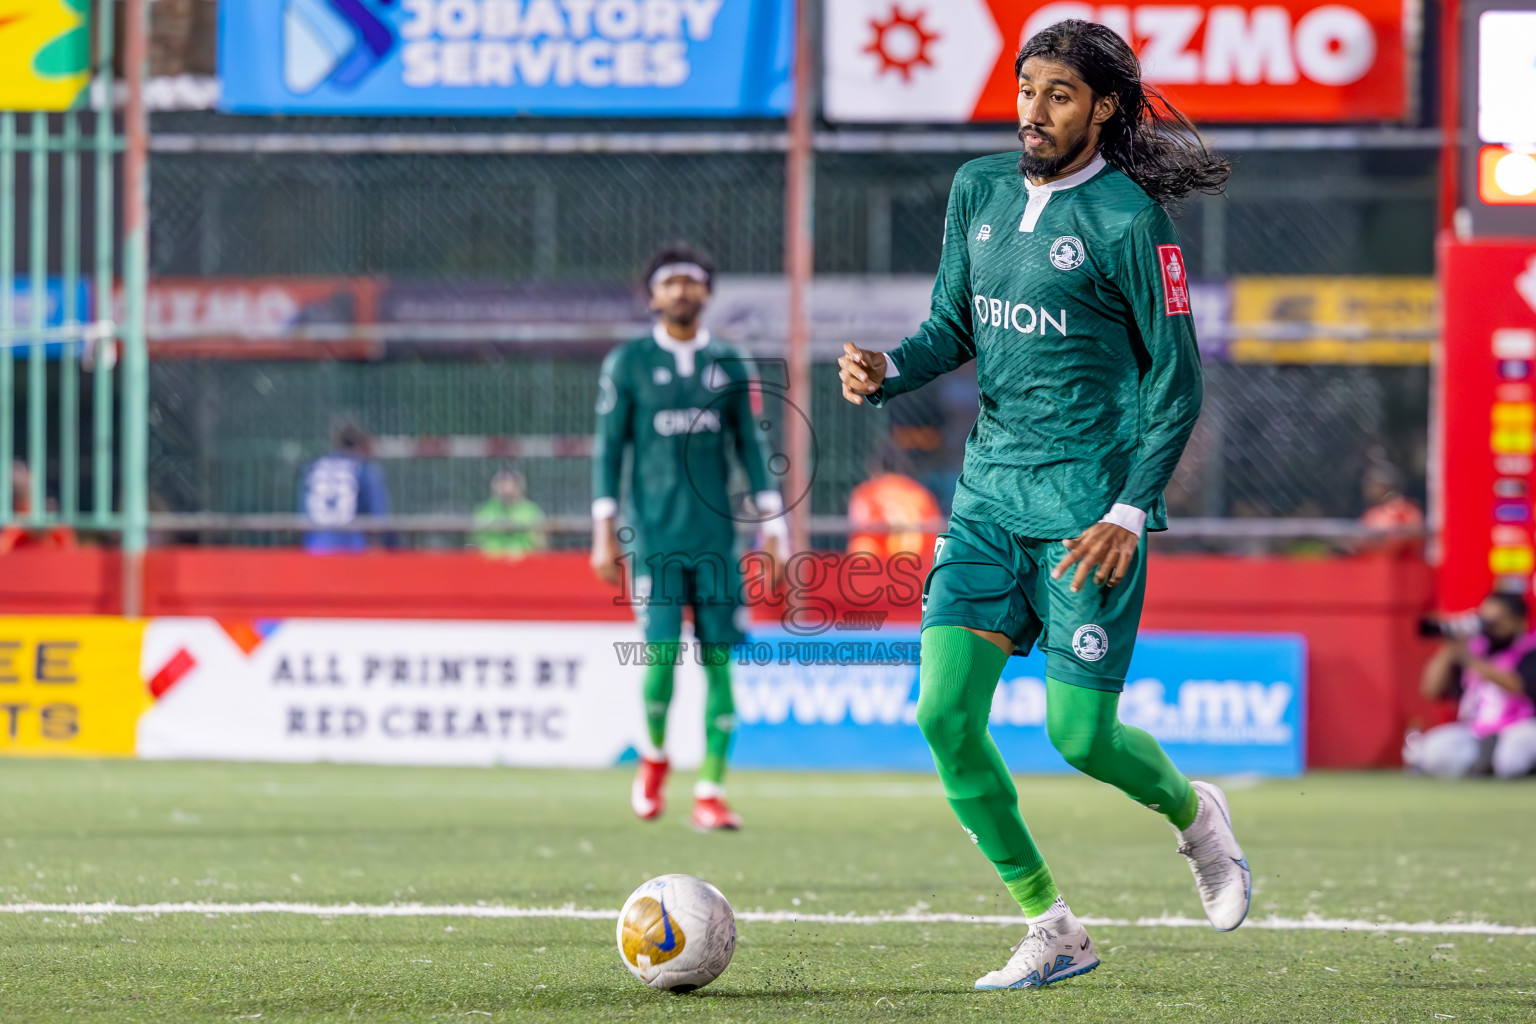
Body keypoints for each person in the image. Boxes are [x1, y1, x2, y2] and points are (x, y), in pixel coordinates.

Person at [837, 20, 1247, 990]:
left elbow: (1177, 383)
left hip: (1088, 516)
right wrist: (890, 369)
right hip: (986, 501)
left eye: (1058, 94)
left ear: (1103, 108)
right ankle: (1053, 925)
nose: (1033, 110)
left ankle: (1198, 820)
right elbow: (953, 325)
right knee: (942, 713)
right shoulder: (978, 187)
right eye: (1026, 89)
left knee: (1081, 739)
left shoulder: (1131, 224)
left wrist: (1131, 511)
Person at [591, 243, 788, 832]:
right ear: (652, 295)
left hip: (716, 542)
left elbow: (753, 451)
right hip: (653, 539)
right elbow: (608, 450)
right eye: (670, 281)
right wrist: (603, 528)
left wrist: (775, 530)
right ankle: (654, 757)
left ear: (707, 293)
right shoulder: (626, 364)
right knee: (661, 660)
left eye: (692, 281)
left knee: (722, 664)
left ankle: (710, 789)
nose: (681, 290)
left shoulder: (730, 362)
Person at [1406, 593, 1536, 778]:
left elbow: (1520, 685)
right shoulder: (1476, 648)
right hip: (1477, 732)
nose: (1490, 627)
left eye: (1497, 621)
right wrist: (1449, 647)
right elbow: (1430, 690)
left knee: (1511, 759)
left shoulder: (1530, 649)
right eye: (1485, 620)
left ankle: (1499, 768)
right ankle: (1481, 767)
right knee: (1432, 751)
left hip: (1522, 728)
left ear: (1519, 621)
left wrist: (1471, 661)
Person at [300, 423, 392, 554]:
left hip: (314, 550)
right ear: (362, 445)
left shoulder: (312, 468)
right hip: (352, 552)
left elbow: (302, 513)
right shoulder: (363, 469)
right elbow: (380, 519)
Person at [0, 461, 76, 555]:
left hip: (48, 560)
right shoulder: (10, 522)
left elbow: (69, 549)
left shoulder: (48, 510)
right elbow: (3, 549)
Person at [471, 469, 546, 559]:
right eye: (501, 484)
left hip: (523, 564)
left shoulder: (531, 511)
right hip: (490, 564)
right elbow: (474, 544)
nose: (505, 488)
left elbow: (541, 545)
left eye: (510, 484)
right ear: (494, 486)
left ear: (519, 487)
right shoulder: (484, 510)